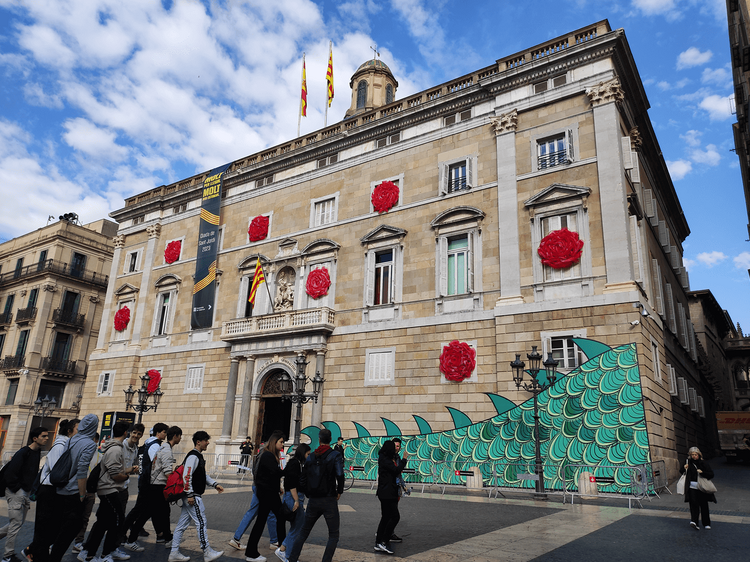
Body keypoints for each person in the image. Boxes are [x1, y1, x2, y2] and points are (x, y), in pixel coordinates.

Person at [77, 422, 137, 562]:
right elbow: (115, 474)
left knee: (105, 522)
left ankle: (94, 552)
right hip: (109, 490)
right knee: (116, 521)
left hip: (109, 489)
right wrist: (127, 476)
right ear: (125, 433)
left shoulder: (114, 448)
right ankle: (96, 554)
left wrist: (128, 470)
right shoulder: (115, 450)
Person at [286, 429, 344, 562]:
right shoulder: (335, 455)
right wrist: (339, 491)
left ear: (319, 439)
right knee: (333, 535)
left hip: (313, 500)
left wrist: (308, 492)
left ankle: (292, 559)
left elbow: (302, 478)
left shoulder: (311, 456)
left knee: (304, 532)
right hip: (329, 499)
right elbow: (340, 475)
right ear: (331, 439)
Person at [25, 419, 79, 562]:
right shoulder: (60, 446)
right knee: (44, 527)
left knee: (51, 527)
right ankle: (37, 555)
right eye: (78, 430)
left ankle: (33, 551)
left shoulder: (65, 444)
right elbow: (57, 473)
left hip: (54, 490)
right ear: (69, 431)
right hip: (49, 490)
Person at [49, 413, 99, 562]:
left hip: (61, 488)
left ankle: (52, 552)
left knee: (62, 525)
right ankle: (55, 556)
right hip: (73, 491)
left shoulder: (71, 440)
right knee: (74, 525)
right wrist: (82, 494)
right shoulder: (90, 444)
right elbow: (82, 469)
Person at [169, 431, 224, 562]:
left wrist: (214, 484)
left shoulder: (197, 456)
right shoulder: (193, 456)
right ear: (198, 442)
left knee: (182, 525)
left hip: (191, 495)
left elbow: (201, 475)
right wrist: (190, 494)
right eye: (206, 440)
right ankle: (207, 551)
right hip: (193, 496)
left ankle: (174, 552)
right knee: (201, 522)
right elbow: (187, 476)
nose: (208, 442)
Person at [0, 426, 50, 562]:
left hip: (25, 492)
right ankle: (7, 556)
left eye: (47, 436)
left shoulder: (37, 452)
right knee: (15, 523)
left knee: (17, 523)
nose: (47, 438)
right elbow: (10, 473)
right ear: (35, 438)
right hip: (17, 492)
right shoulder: (23, 452)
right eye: (43, 436)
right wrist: (18, 489)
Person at [122, 423, 168, 551]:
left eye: (139, 434)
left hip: (144, 483)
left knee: (148, 510)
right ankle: (123, 536)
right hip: (148, 484)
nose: (136, 436)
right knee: (140, 511)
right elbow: (157, 463)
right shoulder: (154, 446)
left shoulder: (143, 446)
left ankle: (160, 535)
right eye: (165, 432)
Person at [244, 432, 287, 562]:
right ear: (274, 442)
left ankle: (252, 551)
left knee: (265, 520)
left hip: (268, 492)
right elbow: (275, 472)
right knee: (278, 517)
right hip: (267, 493)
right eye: (281, 442)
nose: (283, 444)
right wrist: (289, 470)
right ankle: (282, 548)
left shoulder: (269, 455)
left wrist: (278, 486)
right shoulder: (268, 455)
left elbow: (270, 474)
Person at [274, 444, 311, 562]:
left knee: (297, 526)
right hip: (293, 497)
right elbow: (291, 484)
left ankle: (283, 549)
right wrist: (296, 500)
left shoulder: (298, 464)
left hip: (294, 497)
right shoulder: (295, 464)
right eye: (308, 454)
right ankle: (287, 554)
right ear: (303, 452)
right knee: (298, 526)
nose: (308, 456)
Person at [374, 440, 408, 555]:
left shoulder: (386, 457)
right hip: (387, 493)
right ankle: (384, 540)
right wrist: (404, 459)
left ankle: (379, 542)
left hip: (387, 493)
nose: (395, 449)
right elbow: (396, 470)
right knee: (395, 517)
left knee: (385, 518)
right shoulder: (385, 460)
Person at [72, 433, 103, 554]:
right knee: (72, 517)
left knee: (85, 517)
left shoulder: (100, 456)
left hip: (90, 491)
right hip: (77, 489)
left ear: (96, 441)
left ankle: (78, 542)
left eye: (93, 440)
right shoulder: (80, 452)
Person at [680, 446, 716, 530]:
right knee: (693, 504)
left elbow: (711, 474)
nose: (694, 456)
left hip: (702, 487)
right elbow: (681, 472)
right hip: (692, 487)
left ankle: (706, 523)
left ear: (699, 454)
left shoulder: (703, 463)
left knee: (704, 505)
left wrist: (702, 472)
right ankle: (694, 521)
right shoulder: (688, 462)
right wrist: (684, 468)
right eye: (692, 454)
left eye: (695, 454)